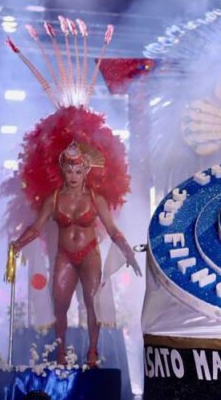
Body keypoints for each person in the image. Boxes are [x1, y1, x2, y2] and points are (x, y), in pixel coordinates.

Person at [11, 142, 142, 366]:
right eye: (70, 171)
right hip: (65, 256)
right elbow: (36, 227)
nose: (73, 176)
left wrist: (129, 253)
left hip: (89, 254)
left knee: (93, 303)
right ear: (64, 171)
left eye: (78, 171)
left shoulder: (95, 199)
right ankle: (61, 353)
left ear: (86, 172)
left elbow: (112, 230)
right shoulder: (53, 199)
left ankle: (92, 353)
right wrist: (17, 244)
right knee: (60, 305)